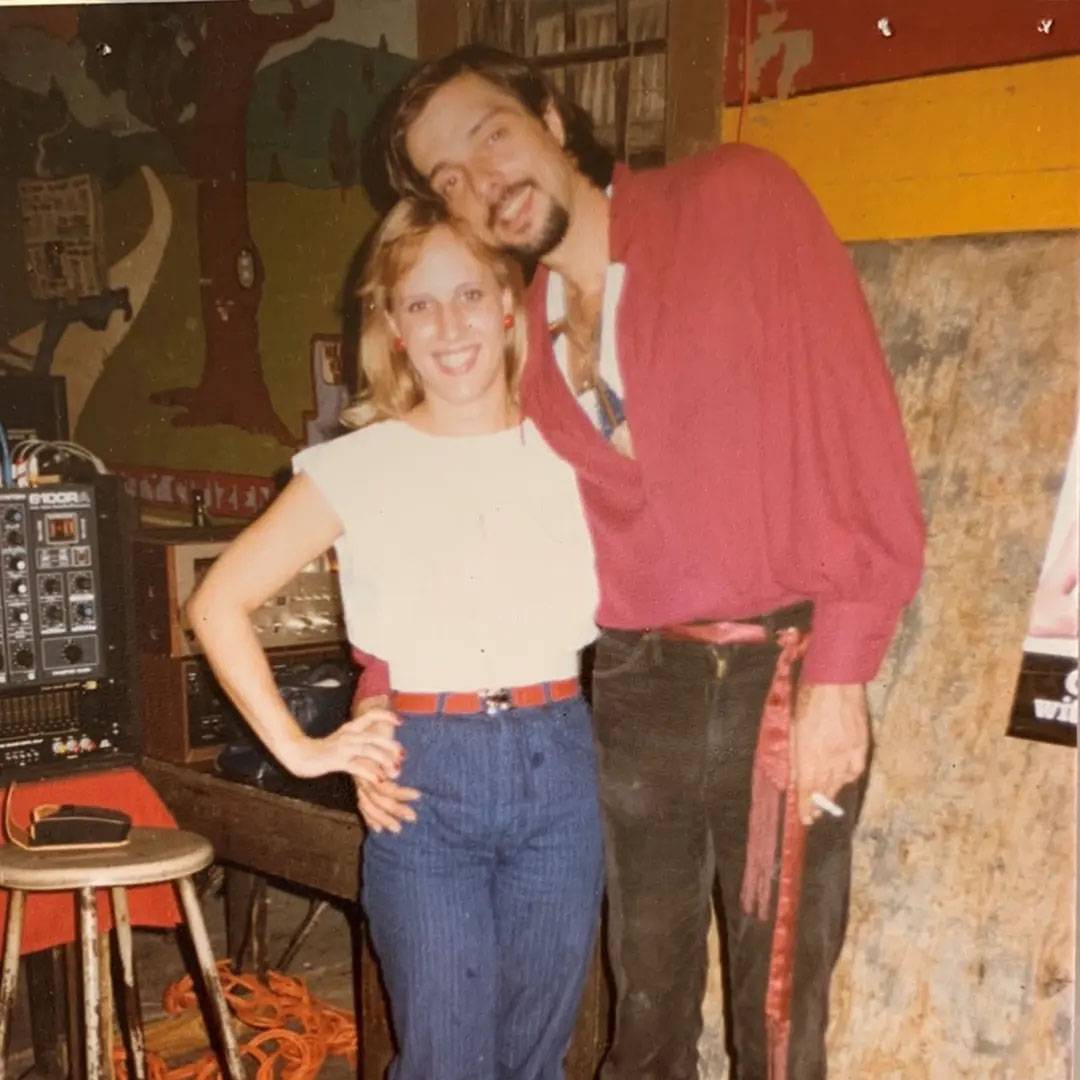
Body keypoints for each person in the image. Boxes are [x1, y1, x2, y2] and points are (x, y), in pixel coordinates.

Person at [352, 45, 926, 1080]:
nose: (484, 182)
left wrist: (844, 673)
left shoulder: (739, 200)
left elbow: (862, 431)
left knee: (780, 1006)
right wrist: (381, 693)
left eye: (492, 136)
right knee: (646, 999)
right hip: (634, 687)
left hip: (780, 677)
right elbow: (464, 518)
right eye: (448, 179)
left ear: (554, 117)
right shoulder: (518, 335)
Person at [187, 198, 604, 1080]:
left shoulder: (571, 446)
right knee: (447, 1061)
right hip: (422, 785)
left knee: (537, 1063)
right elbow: (217, 604)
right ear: (393, 328)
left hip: (559, 765)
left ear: (506, 302)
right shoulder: (357, 465)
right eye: (419, 304)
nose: (448, 325)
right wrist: (305, 753)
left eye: (467, 294)